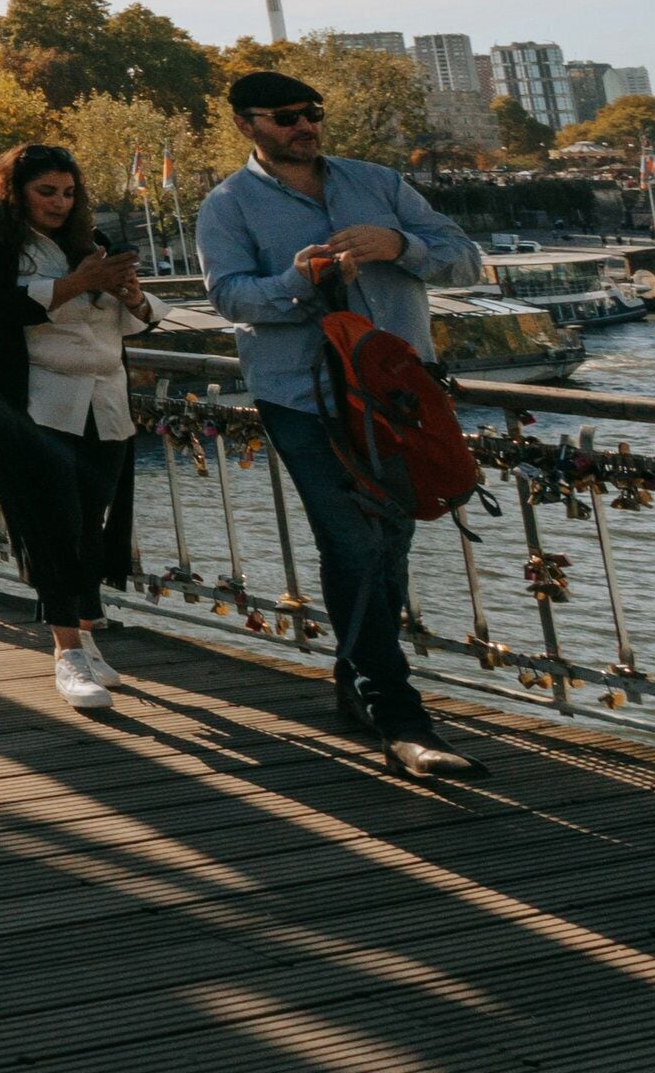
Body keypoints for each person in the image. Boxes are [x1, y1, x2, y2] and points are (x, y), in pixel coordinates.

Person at [196, 69, 490, 779]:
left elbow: (468, 262)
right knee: (354, 542)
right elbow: (230, 297)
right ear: (246, 126)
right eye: (286, 117)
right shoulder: (228, 204)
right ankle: (399, 713)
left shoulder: (379, 184)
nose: (304, 126)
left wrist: (400, 246)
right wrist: (300, 279)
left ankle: (357, 680)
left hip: (397, 395)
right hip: (302, 398)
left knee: (389, 539)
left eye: (311, 113)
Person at [0, 143, 154, 713]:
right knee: (50, 521)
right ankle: (65, 651)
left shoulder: (93, 244)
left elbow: (132, 324)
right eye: (46, 192)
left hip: (103, 398)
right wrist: (73, 283)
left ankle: (84, 634)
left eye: (68, 192)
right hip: (31, 403)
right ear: (13, 191)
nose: (60, 203)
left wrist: (131, 296)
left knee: (92, 519)